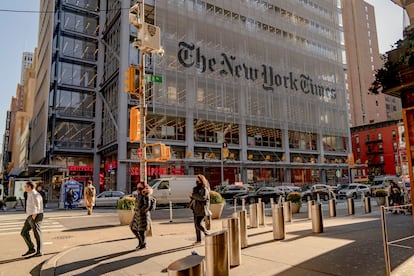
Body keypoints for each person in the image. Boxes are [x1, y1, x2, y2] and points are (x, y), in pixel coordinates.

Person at [21, 181, 43, 257]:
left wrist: (34, 215)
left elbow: (37, 205)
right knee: (24, 232)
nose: (24, 188)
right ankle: (31, 248)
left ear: (29, 187)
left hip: (36, 215)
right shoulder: (29, 193)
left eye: (25, 186)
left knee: (36, 233)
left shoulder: (34, 194)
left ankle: (39, 251)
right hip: (31, 215)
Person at [189, 174, 211, 245]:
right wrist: (192, 196)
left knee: (198, 224)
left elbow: (202, 198)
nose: (197, 180)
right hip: (196, 208)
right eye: (196, 179)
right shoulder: (196, 188)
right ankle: (198, 240)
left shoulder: (204, 189)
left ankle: (208, 234)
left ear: (202, 180)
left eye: (198, 179)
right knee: (196, 225)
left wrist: (193, 195)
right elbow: (195, 198)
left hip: (202, 209)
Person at [130, 182, 152, 250]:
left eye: (140, 188)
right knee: (133, 228)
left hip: (143, 216)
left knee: (141, 231)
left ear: (144, 188)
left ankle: (143, 245)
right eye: (137, 188)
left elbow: (147, 205)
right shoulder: (139, 194)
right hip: (137, 215)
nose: (138, 189)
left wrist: (140, 211)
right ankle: (141, 242)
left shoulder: (146, 194)